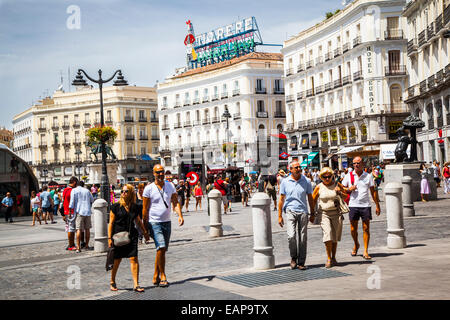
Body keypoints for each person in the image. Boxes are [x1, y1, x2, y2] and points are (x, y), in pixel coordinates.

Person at [142, 164, 184, 288]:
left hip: (167, 221)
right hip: (154, 222)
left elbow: (175, 202)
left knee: (162, 250)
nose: (160, 174)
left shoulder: (170, 186)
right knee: (161, 247)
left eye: (162, 172)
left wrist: (180, 215)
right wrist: (145, 228)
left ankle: (155, 274)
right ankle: (163, 275)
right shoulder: (148, 189)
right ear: (153, 173)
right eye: (158, 172)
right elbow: (145, 210)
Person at [108, 184, 149, 293]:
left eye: (126, 191)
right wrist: (109, 238)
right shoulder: (115, 206)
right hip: (118, 236)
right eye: (122, 191)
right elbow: (111, 223)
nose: (123, 193)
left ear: (131, 193)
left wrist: (145, 232)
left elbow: (138, 221)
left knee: (134, 258)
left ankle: (136, 284)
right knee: (117, 260)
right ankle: (112, 280)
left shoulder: (134, 207)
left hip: (131, 235)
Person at [341, 156, 381, 260]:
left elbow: (373, 192)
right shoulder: (349, 175)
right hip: (353, 205)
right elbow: (341, 188)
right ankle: (356, 244)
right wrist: (348, 189)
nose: (356, 165)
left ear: (362, 164)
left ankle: (365, 250)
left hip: (365, 205)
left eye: (358, 163)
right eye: (354, 163)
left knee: (366, 228)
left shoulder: (368, 176)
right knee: (353, 229)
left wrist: (377, 205)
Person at [278, 161, 314, 270]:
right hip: (290, 211)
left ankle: (301, 262)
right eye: (296, 167)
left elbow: (310, 198)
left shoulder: (306, 181)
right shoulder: (285, 181)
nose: (299, 169)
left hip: (303, 211)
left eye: (300, 167)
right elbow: (281, 199)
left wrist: (312, 213)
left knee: (303, 238)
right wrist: (279, 215)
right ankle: (293, 257)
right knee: (291, 236)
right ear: (291, 170)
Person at [311, 167, 346, 268]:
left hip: (336, 213)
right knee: (328, 235)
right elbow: (313, 200)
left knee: (334, 237)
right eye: (324, 177)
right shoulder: (319, 187)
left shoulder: (337, 184)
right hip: (324, 213)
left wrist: (339, 192)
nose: (327, 179)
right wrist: (312, 214)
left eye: (329, 176)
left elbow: (345, 196)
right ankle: (328, 258)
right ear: (321, 177)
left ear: (332, 176)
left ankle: (334, 257)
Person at [69, 180, 94, 252]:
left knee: (78, 229)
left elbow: (71, 202)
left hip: (79, 211)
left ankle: (78, 247)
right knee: (87, 229)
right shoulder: (87, 191)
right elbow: (92, 200)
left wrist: (70, 212)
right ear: (83, 185)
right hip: (88, 212)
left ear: (77, 184)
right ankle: (86, 246)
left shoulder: (74, 190)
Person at [63, 177, 78, 251]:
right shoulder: (72, 190)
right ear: (74, 182)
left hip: (66, 211)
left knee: (69, 228)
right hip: (71, 211)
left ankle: (71, 243)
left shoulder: (65, 190)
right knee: (71, 229)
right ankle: (71, 245)